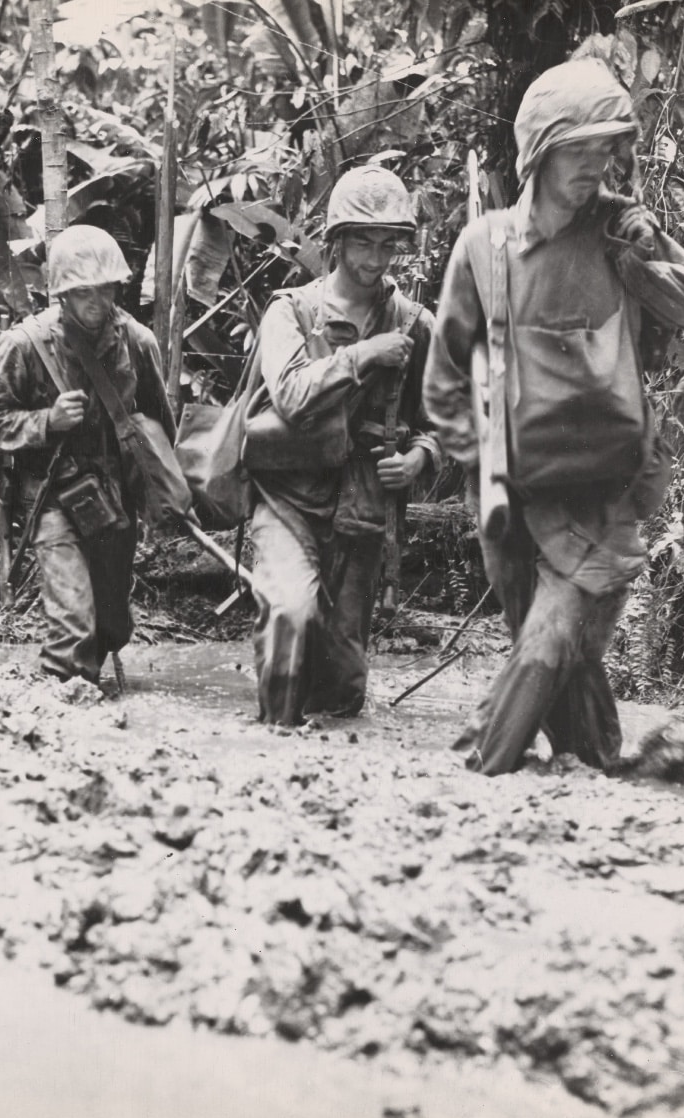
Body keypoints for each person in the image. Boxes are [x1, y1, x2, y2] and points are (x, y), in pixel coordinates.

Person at [424, 59, 684, 776]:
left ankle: (480, 767)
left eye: (606, 150)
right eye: (579, 150)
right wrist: (484, 460)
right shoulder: (483, 247)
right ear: (539, 152)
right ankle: (601, 761)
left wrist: (644, 261)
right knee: (566, 653)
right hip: (511, 493)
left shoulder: (620, 233)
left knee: (553, 637)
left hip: (602, 487)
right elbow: (441, 384)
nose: (596, 166)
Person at [245, 166, 439, 725]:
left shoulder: (414, 323)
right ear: (336, 242)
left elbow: (444, 418)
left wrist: (420, 457)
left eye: (387, 244)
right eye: (362, 242)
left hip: (361, 508)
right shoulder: (292, 311)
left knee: (341, 683)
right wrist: (365, 354)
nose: (376, 260)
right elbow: (291, 394)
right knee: (288, 614)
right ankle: (273, 744)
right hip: (287, 497)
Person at [0, 224, 176, 687]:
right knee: (73, 626)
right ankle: (58, 713)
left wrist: (160, 496)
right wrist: (47, 421)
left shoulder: (137, 342)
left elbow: (161, 423)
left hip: (115, 503)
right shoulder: (25, 344)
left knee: (112, 626)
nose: (95, 302)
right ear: (61, 293)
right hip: (54, 500)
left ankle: (88, 694)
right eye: (81, 291)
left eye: (103, 289)